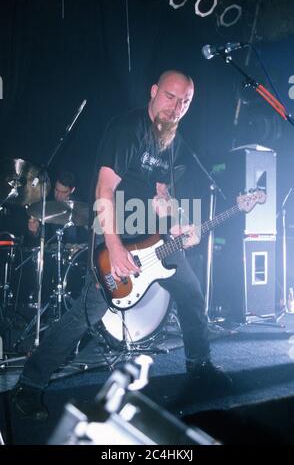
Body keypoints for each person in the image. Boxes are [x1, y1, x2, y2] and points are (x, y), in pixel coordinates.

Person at [12, 70, 231, 421]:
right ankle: (30, 384)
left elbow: (163, 197)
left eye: (185, 102)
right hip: (118, 235)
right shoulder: (126, 129)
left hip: (155, 240)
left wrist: (179, 226)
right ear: (154, 91)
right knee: (87, 313)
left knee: (191, 293)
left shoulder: (173, 141)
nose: (175, 108)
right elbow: (103, 189)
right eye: (170, 97)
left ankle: (199, 366)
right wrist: (114, 247)